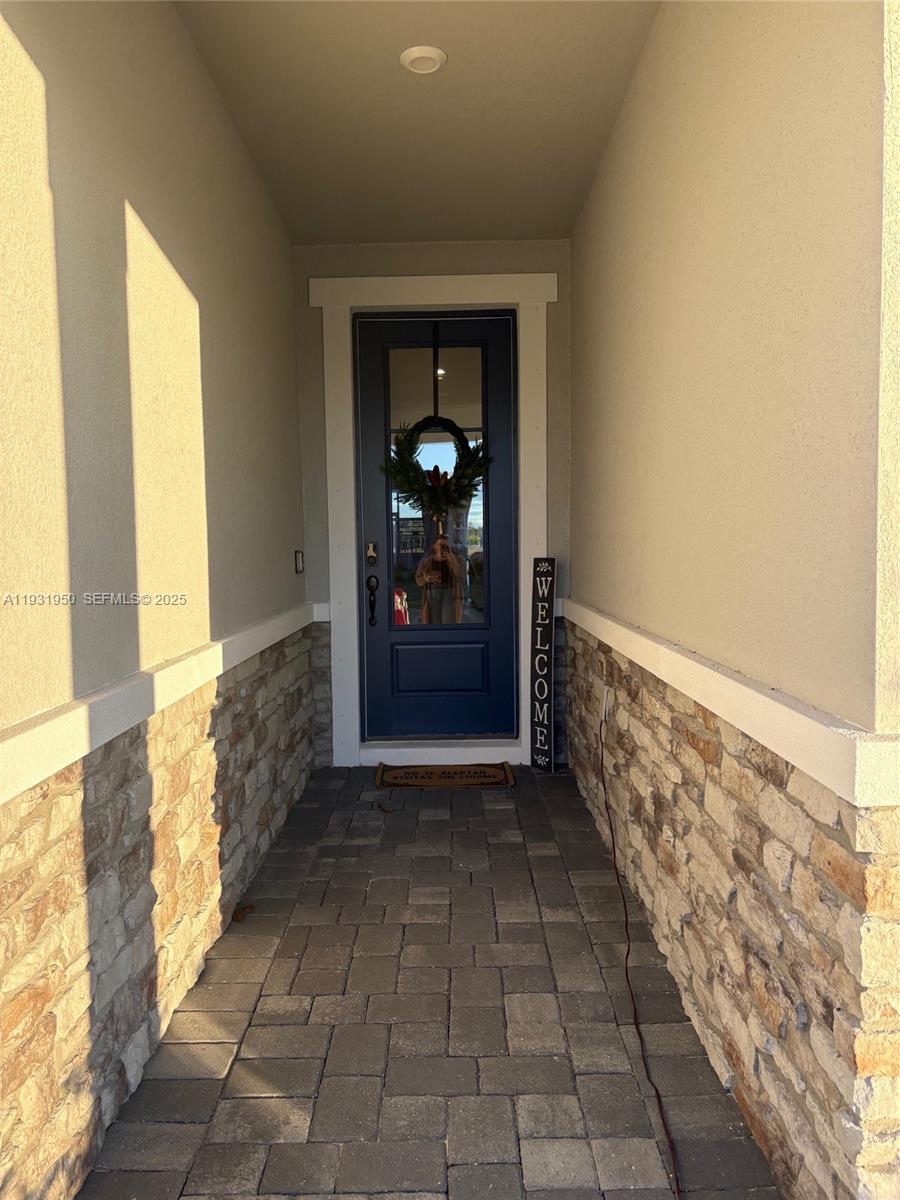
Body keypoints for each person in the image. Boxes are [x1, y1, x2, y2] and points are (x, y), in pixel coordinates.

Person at [415, 534, 463, 624]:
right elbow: (418, 579)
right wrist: (426, 578)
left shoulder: (456, 559)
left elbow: (459, 574)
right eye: (441, 545)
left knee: (448, 621)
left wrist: (452, 558)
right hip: (432, 594)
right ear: (435, 546)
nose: (443, 547)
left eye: (446, 545)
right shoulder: (427, 561)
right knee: (434, 621)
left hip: (449, 593)